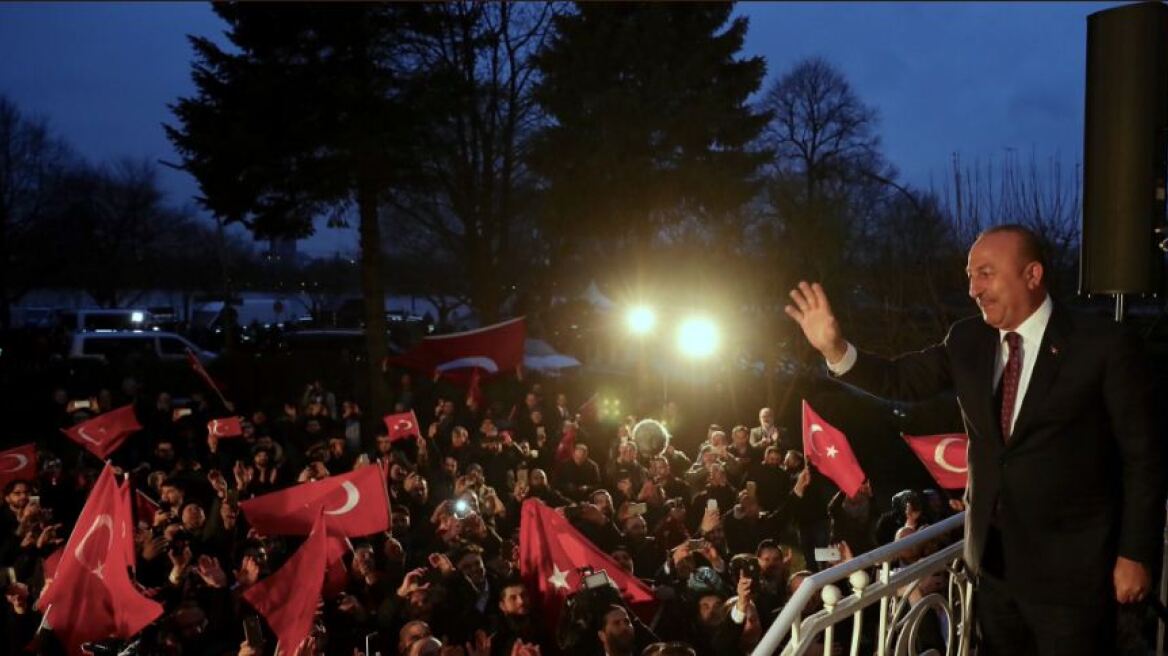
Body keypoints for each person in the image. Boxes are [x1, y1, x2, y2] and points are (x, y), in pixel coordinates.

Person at [784, 224, 1166, 655]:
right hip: (994, 570)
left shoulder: (1103, 345)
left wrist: (1135, 554)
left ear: (1032, 275)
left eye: (984, 274)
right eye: (969, 276)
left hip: (1076, 575)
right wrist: (836, 350)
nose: (972, 289)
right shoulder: (967, 340)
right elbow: (900, 378)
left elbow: (1144, 459)